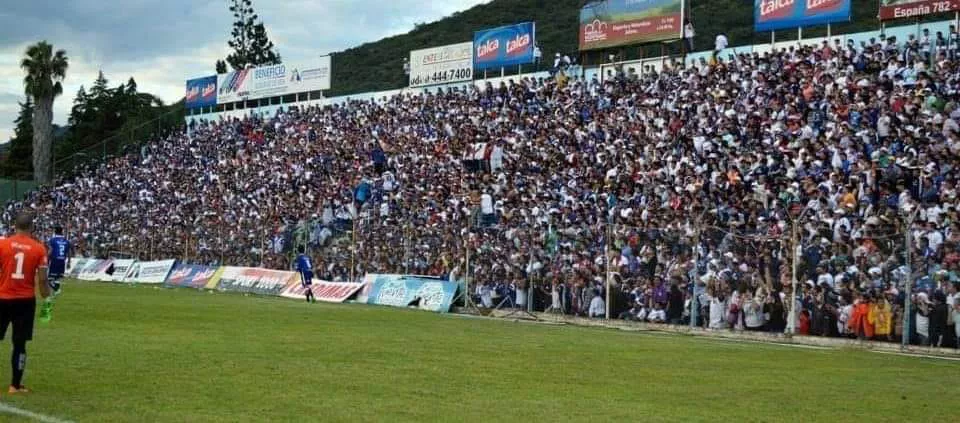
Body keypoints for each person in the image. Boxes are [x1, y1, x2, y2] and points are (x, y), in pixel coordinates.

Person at [0, 212, 51, 394]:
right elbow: (43, 280)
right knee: (20, 344)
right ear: (32, 227)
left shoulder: (3, 244)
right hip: (25, 301)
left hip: (3, 298)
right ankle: (15, 385)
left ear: (14, 226)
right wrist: (47, 297)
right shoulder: (39, 249)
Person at [39, 225, 69, 323]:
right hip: (62, 261)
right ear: (62, 231)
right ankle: (56, 292)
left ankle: (57, 290)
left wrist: (46, 258)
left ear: (55, 231)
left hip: (54, 261)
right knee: (57, 278)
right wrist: (69, 262)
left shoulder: (52, 240)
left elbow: (50, 251)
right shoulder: (66, 241)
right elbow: (68, 252)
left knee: (48, 279)